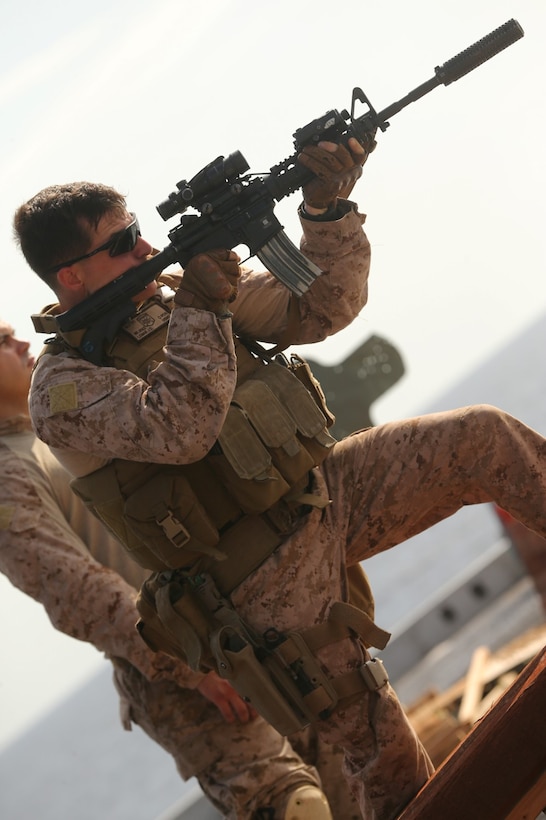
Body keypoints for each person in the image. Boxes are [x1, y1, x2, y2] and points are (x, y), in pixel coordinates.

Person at [15, 133, 546, 818]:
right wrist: (205, 302)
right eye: (124, 243)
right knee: (387, 759)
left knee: (482, 437)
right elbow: (179, 428)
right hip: (256, 579)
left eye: (142, 233)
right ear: (71, 279)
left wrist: (327, 212)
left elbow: (321, 307)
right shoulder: (61, 389)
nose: (147, 250)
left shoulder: (175, 297)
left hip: (324, 491)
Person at [0, 316, 363, 819]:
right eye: (2, 341)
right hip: (180, 669)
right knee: (291, 806)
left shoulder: (61, 430)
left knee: (355, 779)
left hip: (236, 630)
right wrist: (189, 668)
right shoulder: (7, 477)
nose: (21, 341)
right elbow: (72, 591)